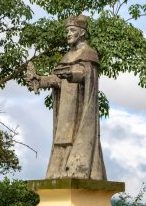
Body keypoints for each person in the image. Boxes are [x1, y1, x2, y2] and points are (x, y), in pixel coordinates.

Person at [27, 15, 107, 180]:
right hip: (65, 110)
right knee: (62, 138)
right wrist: (40, 80)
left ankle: (76, 170)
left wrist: (71, 73)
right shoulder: (66, 57)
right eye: (67, 31)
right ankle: (59, 171)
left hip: (80, 110)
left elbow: (86, 74)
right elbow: (57, 79)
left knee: (76, 138)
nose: (68, 34)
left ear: (82, 32)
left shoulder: (88, 53)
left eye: (72, 30)